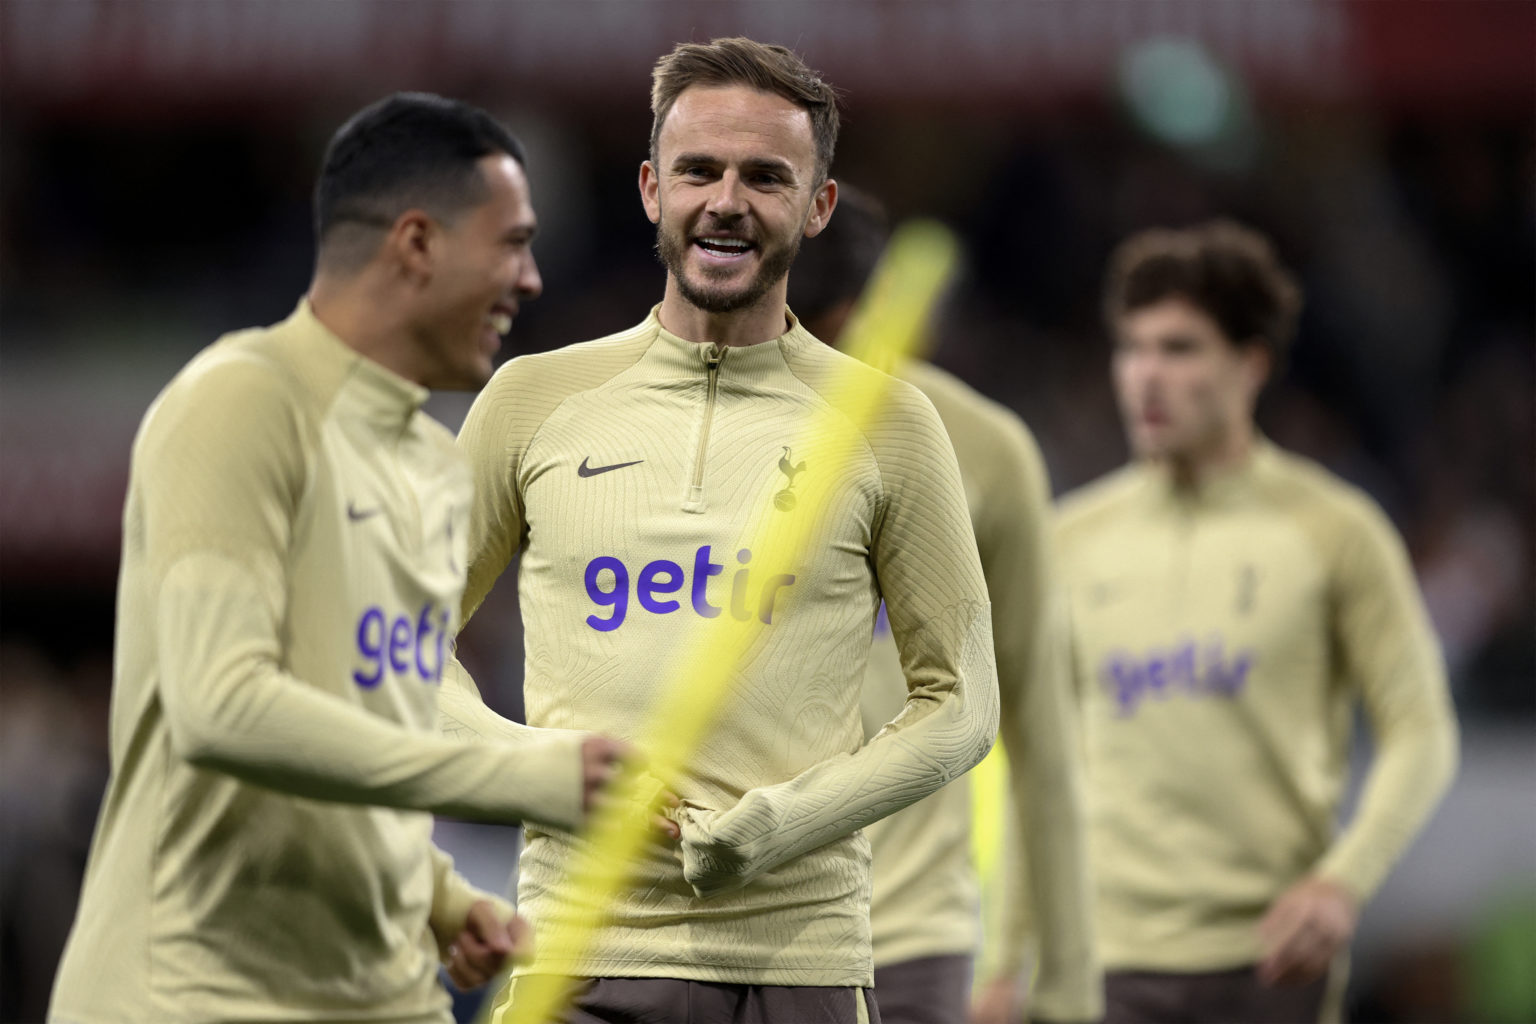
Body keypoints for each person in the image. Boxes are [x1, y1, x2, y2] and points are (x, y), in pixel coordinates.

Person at [445, 38, 998, 1024]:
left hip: (804, 965)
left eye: (765, 177)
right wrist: (544, 770)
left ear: (818, 206)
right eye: (699, 170)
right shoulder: (532, 400)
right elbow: (394, 653)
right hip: (581, 956)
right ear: (653, 189)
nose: (727, 200)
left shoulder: (891, 424)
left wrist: (781, 826)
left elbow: (959, 702)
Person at [49, 92, 628, 1024]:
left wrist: (441, 897)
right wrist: (522, 776)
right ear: (415, 244)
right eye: (511, 243)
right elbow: (221, 706)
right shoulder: (242, 404)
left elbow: (358, 742)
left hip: (384, 995)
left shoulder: (438, 471)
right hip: (193, 995)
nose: (530, 281)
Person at [1057, 220, 1459, 1023]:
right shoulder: (1067, 541)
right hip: (1103, 960)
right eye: (1132, 349)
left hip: (1273, 962)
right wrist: (1006, 951)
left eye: (1179, 349)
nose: (1146, 377)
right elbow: (1029, 763)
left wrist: (1345, 879)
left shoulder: (1334, 531)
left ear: (1250, 366)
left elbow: (1420, 731)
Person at [789, 186, 1102, 1024]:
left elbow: (1046, 729)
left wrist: (1058, 983)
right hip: (717, 939)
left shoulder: (984, 455)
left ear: (858, 315)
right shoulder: (687, 434)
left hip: (907, 945)